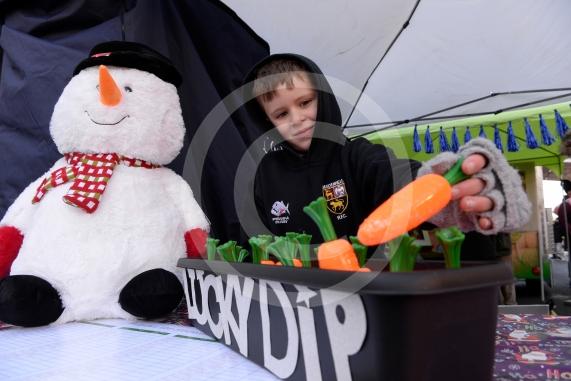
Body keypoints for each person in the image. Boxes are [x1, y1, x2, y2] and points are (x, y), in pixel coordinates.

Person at [240, 54, 530, 252]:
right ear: (268, 122)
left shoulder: (358, 156)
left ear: (324, 98)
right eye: (281, 113)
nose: (297, 118)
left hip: (368, 301)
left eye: (305, 102)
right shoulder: (263, 174)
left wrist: (449, 187)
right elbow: (252, 241)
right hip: (292, 304)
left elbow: (404, 181)